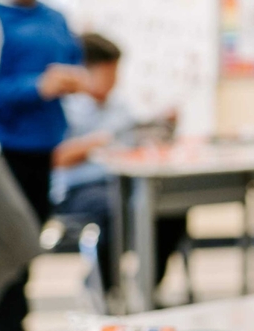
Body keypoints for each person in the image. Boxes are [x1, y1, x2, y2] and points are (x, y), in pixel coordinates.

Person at [50, 32, 186, 300]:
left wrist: (160, 124)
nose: (115, 81)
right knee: (115, 207)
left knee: (171, 208)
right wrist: (95, 142)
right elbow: (56, 158)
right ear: (85, 72)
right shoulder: (66, 106)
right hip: (79, 189)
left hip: (123, 181)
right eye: (108, 74)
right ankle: (107, 288)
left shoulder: (119, 105)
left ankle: (147, 287)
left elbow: (132, 138)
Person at [0, 0, 85, 331]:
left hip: (44, 149)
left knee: (28, 244)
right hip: (0, 151)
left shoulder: (55, 19)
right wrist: (36, 87)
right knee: (9, 245)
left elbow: (75, 64)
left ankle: (13, 328)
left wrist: (73, 80)